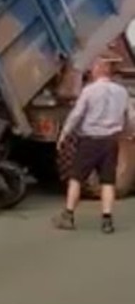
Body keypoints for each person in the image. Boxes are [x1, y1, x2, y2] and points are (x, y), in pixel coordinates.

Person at [54, 57, 134, 234]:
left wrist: (64, 134)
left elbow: (77, 115)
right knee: (108, 181)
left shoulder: (89, 91)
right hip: (110, 141)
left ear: (98, 70)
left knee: (76, 178)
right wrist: (129, 133)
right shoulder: (122, 91)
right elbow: (130, 116)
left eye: (93, 67)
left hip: (90, 140)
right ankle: (107, 220)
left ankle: (68, 216)